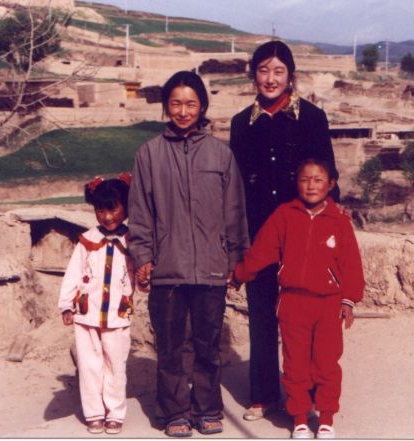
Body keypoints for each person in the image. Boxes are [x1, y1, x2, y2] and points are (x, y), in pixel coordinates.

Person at [128, 70, 249, 437]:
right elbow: (140, 212)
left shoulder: (220, 154)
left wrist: (235, 260)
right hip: (167, 268)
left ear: (202, 107)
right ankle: (174, 411)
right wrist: (143, 257)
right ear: (167, 106)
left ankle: (207, 408)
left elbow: (234, 212)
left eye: (191, 104)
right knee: (170, 346)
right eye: (176, 103)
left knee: (207, 345)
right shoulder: (149, 154)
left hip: (211, 268)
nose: (183, 111)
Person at [229, 40, 340, 421]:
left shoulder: (312, 118)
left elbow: (327, 177)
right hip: (259, 234)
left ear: (290, 75)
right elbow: (236, 185)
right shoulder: (241, 124)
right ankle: (263, 395)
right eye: (263, 71)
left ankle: (309, 396)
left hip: (303, 234)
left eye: (278, 71)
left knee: (304, 318)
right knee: (261, 314)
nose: (271, 79)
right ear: (254, 75)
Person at [231, 157, 364, 439]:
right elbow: (263, 249)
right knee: (295, 364)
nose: (311, 185)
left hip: (328, 304)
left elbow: (351, 263)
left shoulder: (339, 220)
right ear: (296, 184)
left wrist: (349, 300)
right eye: (304, 180)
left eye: (318, 180)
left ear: (331, 184)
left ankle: (325, 418)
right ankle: (300, 418)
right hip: (292, 303)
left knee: (326, 363)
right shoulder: (284, 215)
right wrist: (240, 273)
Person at [58, 174, 134, 435]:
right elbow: (73, 274)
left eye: (113, 209)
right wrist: (66, 305)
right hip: (86, 315)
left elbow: (139, 276)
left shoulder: (133, 242)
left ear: (125, 207)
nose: (107, 216)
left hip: (117, 316)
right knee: (90, 366)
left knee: (116, 366)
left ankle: (115, 412)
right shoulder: (87, 241)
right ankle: (94, 413)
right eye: (100, 211)